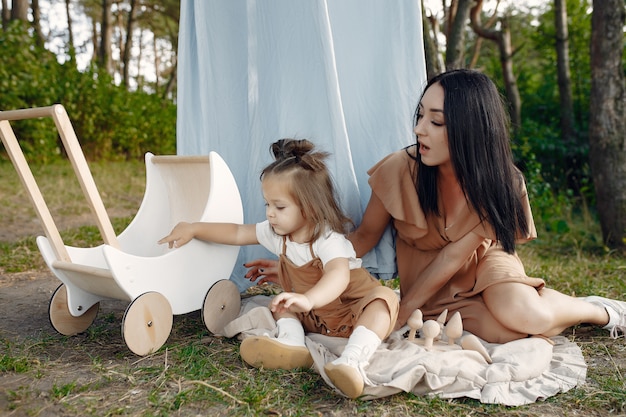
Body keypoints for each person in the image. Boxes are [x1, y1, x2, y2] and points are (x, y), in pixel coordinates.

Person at [245, 69, 626, 345]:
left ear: (470, 129)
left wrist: (402, 307)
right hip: (427, 278)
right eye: (420, 116)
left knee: (525, 315)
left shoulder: (501, 182)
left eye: (436, 121)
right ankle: (545, 311)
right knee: (504, 334)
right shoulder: (398, 170)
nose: (419, 129)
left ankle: (598, 310)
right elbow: (360, 238)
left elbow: (453, 259)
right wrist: (302, 265)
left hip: (483, 264)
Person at [159, 138, 399, 399]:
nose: (270, 213)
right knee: (280, 304)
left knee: (383, 301)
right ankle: (292, 342)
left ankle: (352, 361)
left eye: (279, 206)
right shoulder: (277, 234)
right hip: (318, 319)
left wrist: (308, 298)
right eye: (267, 204)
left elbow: (338, 276)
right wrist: (194, 228)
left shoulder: (330, 241)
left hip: (353, 310)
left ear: (309, 209)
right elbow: (238, 232)